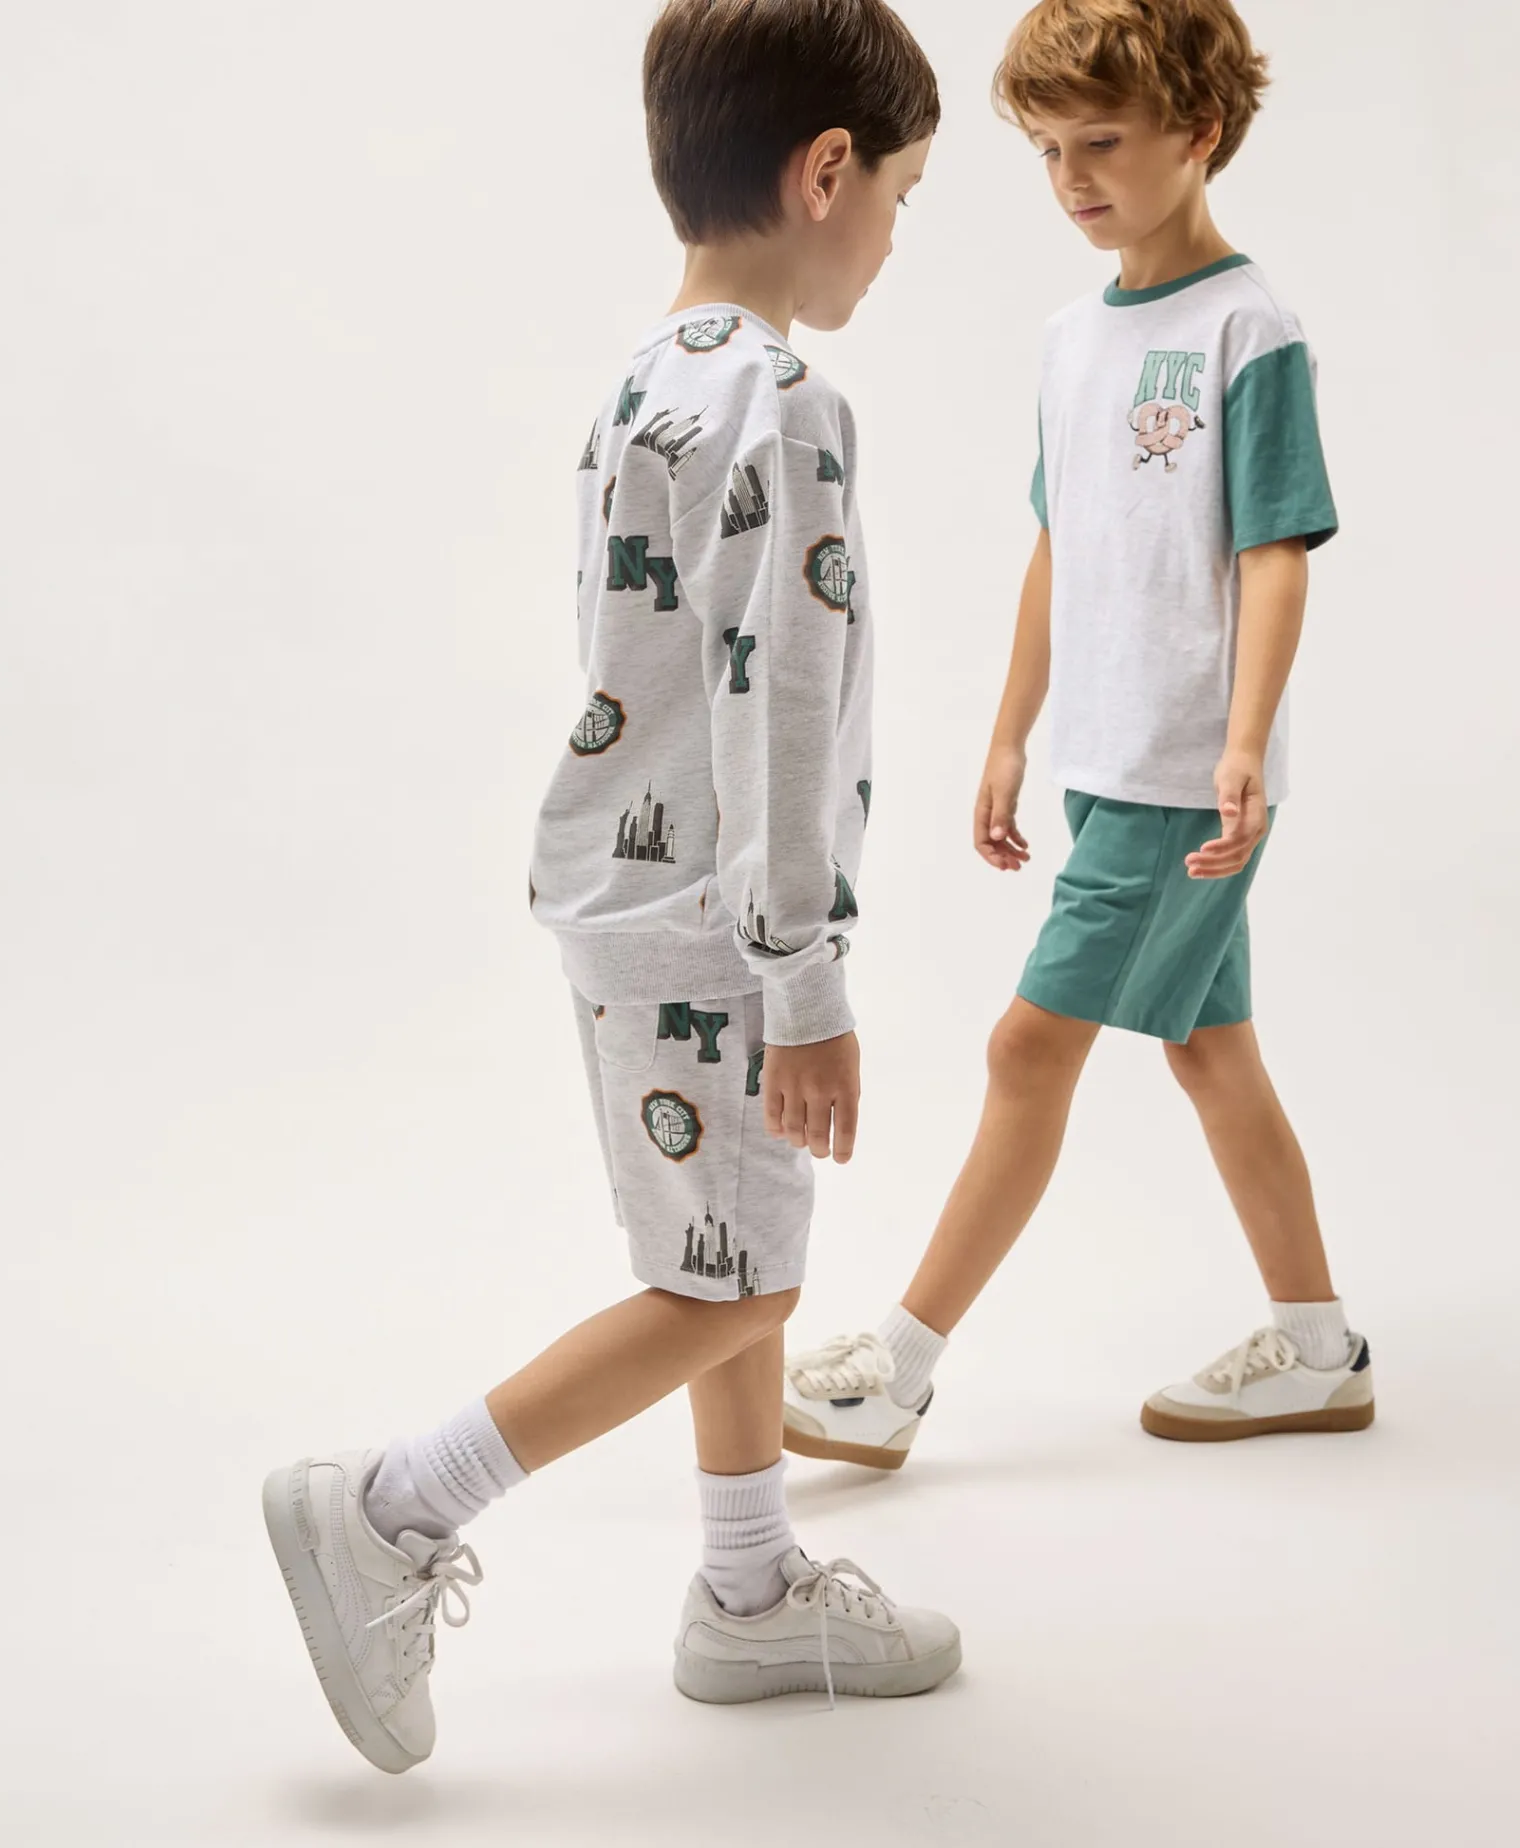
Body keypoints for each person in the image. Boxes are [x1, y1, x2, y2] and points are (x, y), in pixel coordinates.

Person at [262, 0, 955, 1776]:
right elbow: (775, 708)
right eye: (900, 196)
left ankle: (749, 1590)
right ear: (825, 172)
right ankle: (392, 1507)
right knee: (734, 1291)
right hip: (719, 929)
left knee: (726, 1250)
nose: (895, 238)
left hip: (620, 900)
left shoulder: (644, 382)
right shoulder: (785, 403)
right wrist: (804, 979)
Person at [783, 0, 1372, 1473]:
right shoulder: (1070, 339)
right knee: (1213, 1055)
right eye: (1048, 151)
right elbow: (1062, 545)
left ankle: (896, 1374)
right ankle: (1319, 1351)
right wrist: (1008, 736)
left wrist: (1244, 745)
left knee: (1026, 1047)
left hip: (1186, 778)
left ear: (1200, 131)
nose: (1071, 179)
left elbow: (1276, 552)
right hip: (1104, 770)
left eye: (1100, 142)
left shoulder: (1248, 330)